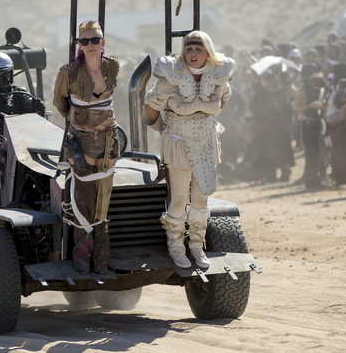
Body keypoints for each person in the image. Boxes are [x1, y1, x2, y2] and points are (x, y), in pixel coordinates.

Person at [142, 30, 234, 270]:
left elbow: (222, 102)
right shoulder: (170, 76)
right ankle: (176, 247)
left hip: (206, 142)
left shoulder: (219, 76)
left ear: (207, 52)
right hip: (178, 143)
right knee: (179, 198)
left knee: (202, 197)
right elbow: (149, 111)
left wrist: (203, 118)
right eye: (189, 48)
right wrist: (165, 128)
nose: (193, 53)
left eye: (198, 48)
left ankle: (196, 245)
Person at [53, 20, 120, 274]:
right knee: (83, 200)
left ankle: (101, 259)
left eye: (95, 40)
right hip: (80, 142)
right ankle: (82, 256)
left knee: (103, 199)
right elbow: (61, 104)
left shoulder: (112, 67)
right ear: (79, 45)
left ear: (103, 42)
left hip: (107, 141)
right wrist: (82, 121)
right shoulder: (68, 73)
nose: (91, 45)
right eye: (85, 41)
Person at [0, 52, 45, 117]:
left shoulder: (19, 95)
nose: (0, 81)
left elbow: (28, 105)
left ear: (10, 76)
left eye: (5, 76)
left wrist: (35, 107)